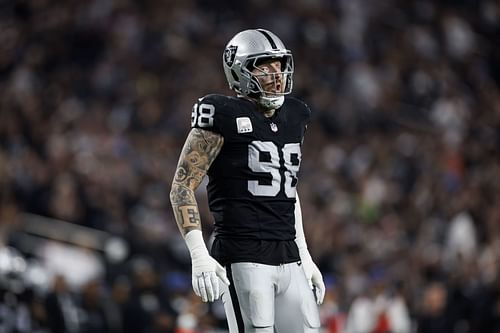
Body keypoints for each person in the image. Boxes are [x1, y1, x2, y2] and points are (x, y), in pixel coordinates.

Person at [169, 28, 325, 333]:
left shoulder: (295, 115)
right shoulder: (221, 114)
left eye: (279, 66)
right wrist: (198, 253)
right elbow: (182, 185)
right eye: (264, 67)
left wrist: (304, 255)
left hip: (288, 255)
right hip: (243, 254)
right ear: (239, 70)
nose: (276, 74)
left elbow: (287, 192)